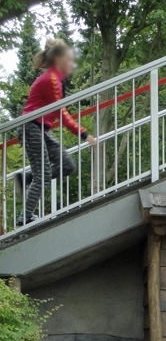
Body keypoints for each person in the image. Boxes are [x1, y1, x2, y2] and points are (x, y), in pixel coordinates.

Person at [16, 38, 96, 226]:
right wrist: (84, 134)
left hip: (42, 129)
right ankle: (24, 218)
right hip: (31, 127)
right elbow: (63, 113)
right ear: (58, 60)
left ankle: (26, 178)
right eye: (69, 60)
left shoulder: (55, 80)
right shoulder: (51, 80)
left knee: (67, 165)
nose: (72, 64)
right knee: (43, 175)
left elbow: (59, 112)